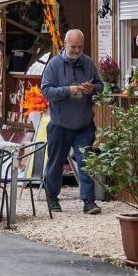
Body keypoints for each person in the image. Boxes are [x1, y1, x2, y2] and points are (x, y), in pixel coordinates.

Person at [41, 29, 104, 215]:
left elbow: (101, 86)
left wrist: (92, 88)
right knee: (56, 163)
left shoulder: (88, 63)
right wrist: (68, 90)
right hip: (60, 123)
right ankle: (52, 197)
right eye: (73, 47)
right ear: (65, 44)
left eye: (79, 47)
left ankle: (89, 201)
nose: (76, 50)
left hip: (83, 124)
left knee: (86, 162)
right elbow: (46, 91)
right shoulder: (54, 65)